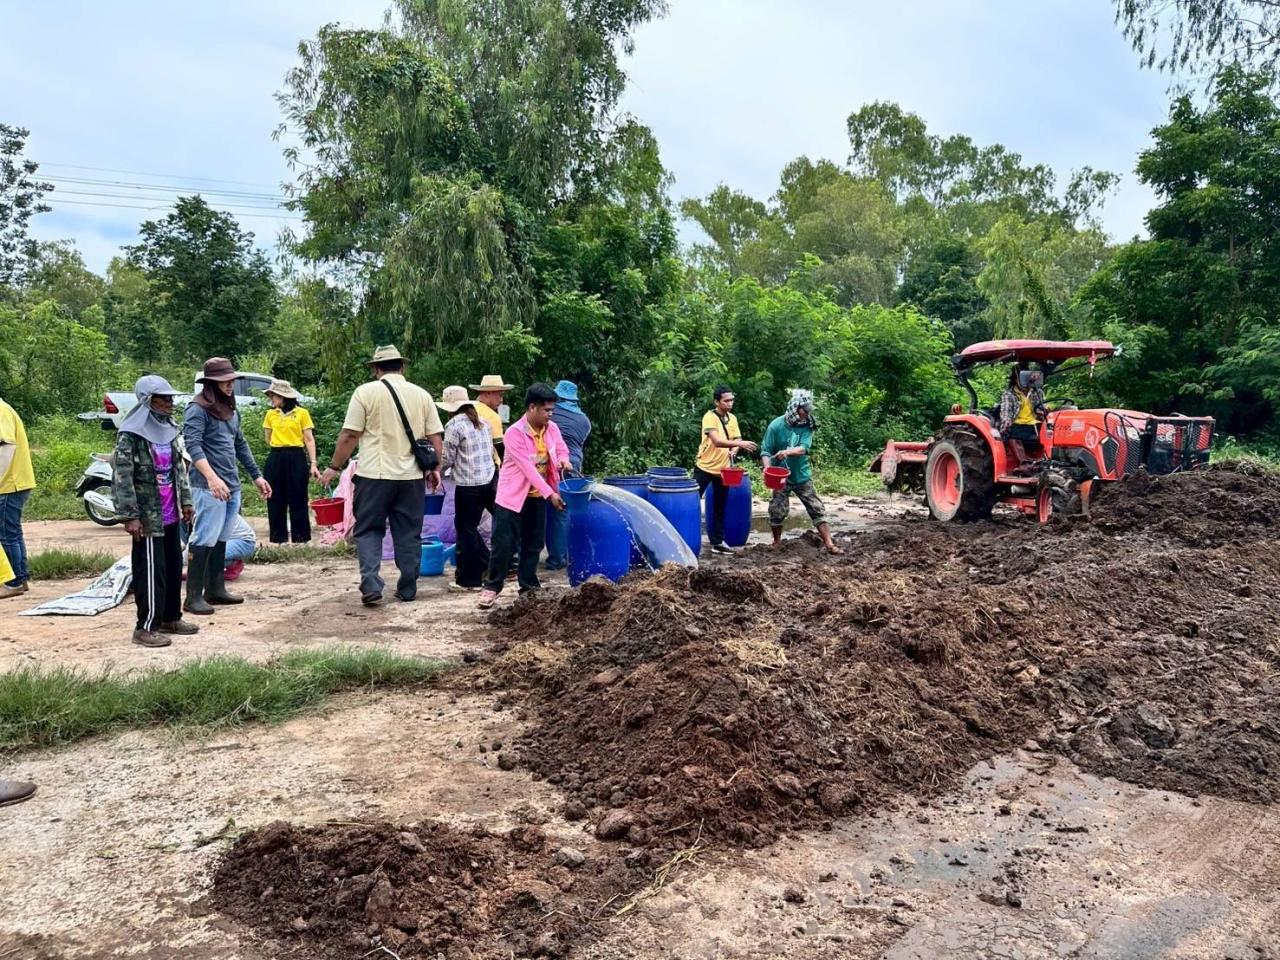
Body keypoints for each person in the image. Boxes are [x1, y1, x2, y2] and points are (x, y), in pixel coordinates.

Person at [321, 345, 444, 606]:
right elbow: (435, 436)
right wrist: (435, 468)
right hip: (411, 478)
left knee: (368, 530)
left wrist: (334, 466)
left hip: (373, 475)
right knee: (409, 532)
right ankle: (408, 586)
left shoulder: (365, 392)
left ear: (376, 369)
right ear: (402, 366)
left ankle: (371, 584)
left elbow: (350, 435)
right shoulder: (422, 395)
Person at [113, 375, 198, 647]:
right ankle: (146, 626)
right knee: (150, 571)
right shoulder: (131, 435)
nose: (170, 403)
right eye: (164, 398)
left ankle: (171, 617)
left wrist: (186, 502)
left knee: (173, 566)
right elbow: (122, 476)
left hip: (170, 511)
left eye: (171, 398)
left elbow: (179, 470)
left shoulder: (169, 429)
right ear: (148, 400)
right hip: (148, 516)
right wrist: (130, 515)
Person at [183, 358, 272, 616]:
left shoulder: (230, 409)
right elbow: (193, 445)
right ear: (211, 383)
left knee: (221, 537)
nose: (230, 385)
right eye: (225, 381)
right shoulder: (196, 409)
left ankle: (215, 589)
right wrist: (211, 478)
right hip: (208, 485)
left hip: (231, 484)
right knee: (204, 537)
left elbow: (240, 444)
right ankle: (192, 597)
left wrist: (256, 476)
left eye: (232, 380)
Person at [478, 383, 571, 609]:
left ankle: (528, 587)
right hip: (512, 497)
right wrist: (551, 495)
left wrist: (564, 460)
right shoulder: (514, 433)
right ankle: (492, 587)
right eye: (546, 410)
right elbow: (528, 470)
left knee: (533, 544)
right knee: (503, 544)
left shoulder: (552, 429)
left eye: (551, 411)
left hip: (537, 496)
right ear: (532, 408)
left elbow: (561, 448)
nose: (550, 415)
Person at [761, 389, 842, 555]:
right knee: (777, 510)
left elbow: (804, 448)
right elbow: (766, 451)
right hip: (780, 476)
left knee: (816, 508)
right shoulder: (775, 426)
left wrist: (787, 452)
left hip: (801, 475)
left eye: (808, 411)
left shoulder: (808, 425)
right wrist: (768, 469)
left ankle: (829, 543)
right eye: (804, 410)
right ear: (795, 408)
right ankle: (776, 542)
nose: (806, 414)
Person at [438, 385, 496, 592]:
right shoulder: (483, 422)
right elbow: (489, 451)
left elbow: (447, 458)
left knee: (465, 531)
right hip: (487, 481)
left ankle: (468, 579)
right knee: (470, 528)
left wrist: (436, 471)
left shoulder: (453, 425)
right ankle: (488, 564)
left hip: (468, 485)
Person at [694, 385, 758, 556]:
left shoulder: (733, 418)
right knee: (693, 502)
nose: (730, 403)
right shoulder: (709, 417)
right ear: (717, 402)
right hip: (705, 467)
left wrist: (735, 449)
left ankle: (717, 542)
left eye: (731, 400)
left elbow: (736, 438)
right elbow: (716, 441)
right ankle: (690, 537)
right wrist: (740, 444)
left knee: (720, 507)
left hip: (723, 470)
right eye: (726, 400)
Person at [262, 379, 321, 544]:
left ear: (282, 397)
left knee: (298, 496)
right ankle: (278, 538)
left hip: (296, 456)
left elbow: (309, 439)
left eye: (273, 396)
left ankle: (300, 538)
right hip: (276, 456)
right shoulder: (270, 414)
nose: (271, 400)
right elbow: (268, 438)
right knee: (275, 497)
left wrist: (313, 463)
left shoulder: (301, 413)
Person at [544, 380, 592, 571]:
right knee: (563, 510)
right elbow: (580, 443)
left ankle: (554, 555)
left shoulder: (550, 414)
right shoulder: (584, 420)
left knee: (548, 507)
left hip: (546, 463)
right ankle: (558, 556)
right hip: (571, 466)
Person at [0, 394, 35, 600]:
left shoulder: (1, 410)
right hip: (15, 481)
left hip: (9, 484)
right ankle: (20, 578)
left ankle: (13, 583)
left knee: (5, 534)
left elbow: (6, 446)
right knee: (12, 532)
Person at [998, 366, 1047, 462]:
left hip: (1035, 424)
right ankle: (1023, 463)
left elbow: (1042, 407)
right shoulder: (1009, 394)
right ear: (1016, 379)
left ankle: (1048, 461)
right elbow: (1006, 415)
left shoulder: (1038, 392)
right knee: (1014, 433)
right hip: (1018, 423)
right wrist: (1005, 429)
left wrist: (1045, 411)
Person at [469, 374, 513, 463]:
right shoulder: (492, 416)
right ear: (488, 393)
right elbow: (500, 448)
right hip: (489, 467)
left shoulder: (467, 409)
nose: (501, 400)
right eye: (500, 395)